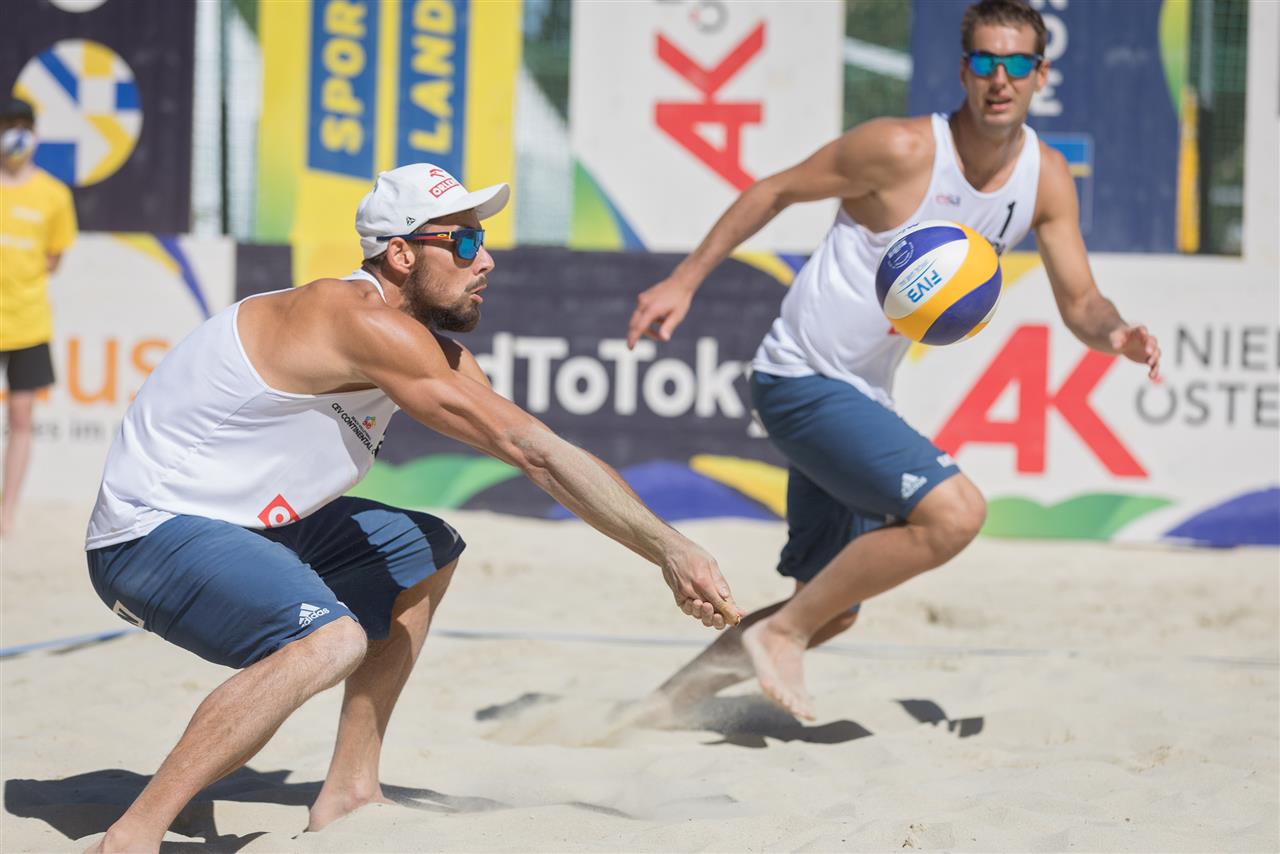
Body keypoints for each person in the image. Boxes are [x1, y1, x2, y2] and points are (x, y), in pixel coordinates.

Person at [83, 163, 744, 853]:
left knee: (423, 549)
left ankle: (350, 789)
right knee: (330, 639)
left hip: (243, 525)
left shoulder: (427, 348)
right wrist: (671, 549)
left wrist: (668, 548)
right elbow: (538, 456)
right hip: (147, 535)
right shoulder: (351, 317)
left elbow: (546, 455)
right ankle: (133, 835)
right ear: (400, 254)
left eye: (482, 240)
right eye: (461, 243)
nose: (484, 259)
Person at [625, 0, 1161, 723]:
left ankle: (656, 711)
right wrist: (684, 279)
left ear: (1041, 73)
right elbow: (775, 189)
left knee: (833, 609)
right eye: (983, 62)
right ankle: (778, 634)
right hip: (799, 377)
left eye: (1015, 64)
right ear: (963, 69)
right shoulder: (902, 150)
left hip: (862, 393)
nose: (998, 79)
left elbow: (1083, 302)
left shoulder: (1046, 178)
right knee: (956, 514)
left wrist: (1118, 333)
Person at [0, 96, 77, 536]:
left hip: (27, 322)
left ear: (35, 133)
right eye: (8, 125)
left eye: (22, 126)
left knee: (22, 419)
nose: (16, 135)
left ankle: (7, 514)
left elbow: (53, 257)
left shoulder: (52, 194)